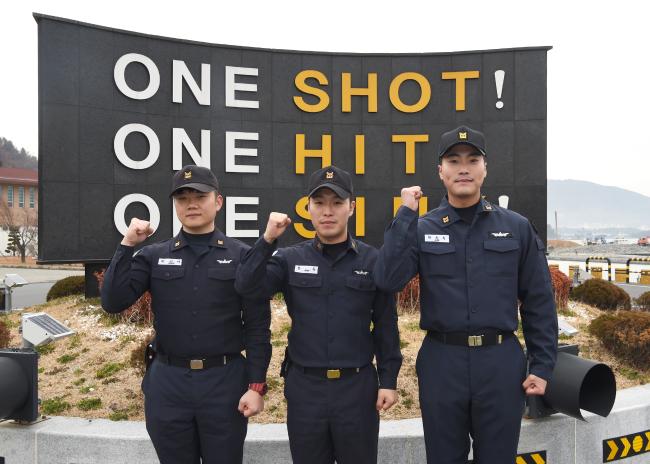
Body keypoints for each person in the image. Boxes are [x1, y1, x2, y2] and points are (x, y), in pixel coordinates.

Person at [374, 126, 557, 463]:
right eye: (453, 160)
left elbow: (539, 300)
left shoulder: (516, 227)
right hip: (442, 362)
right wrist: (404, 216)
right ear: (440, 171)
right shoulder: (422, 227)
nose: (463, 167)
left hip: (500, 362)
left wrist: (543, 365)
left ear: (485, 168)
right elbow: (387, 279)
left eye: (473, 160)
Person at [101, 165, 271, 464]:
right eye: (182, 198)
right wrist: (127, 244)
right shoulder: (154, 255)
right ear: (174, 205)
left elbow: (258, 326)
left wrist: (256, 385)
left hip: (224, 383)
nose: (191, 204)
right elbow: (113, 301)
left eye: (200, 196)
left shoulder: (242, 255)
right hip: (169, 384)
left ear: (218, 202)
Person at [235, 165, 402, 464]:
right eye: (319, 203)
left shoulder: (372, 259)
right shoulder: (288, 259)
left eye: (337, 203)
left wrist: (388, 379)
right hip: (305, 389)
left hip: (357, 389)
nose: (328, 211)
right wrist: (267, 240)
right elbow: (247, 286)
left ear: (351, 207)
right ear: (308, 208)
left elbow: (386, 325)